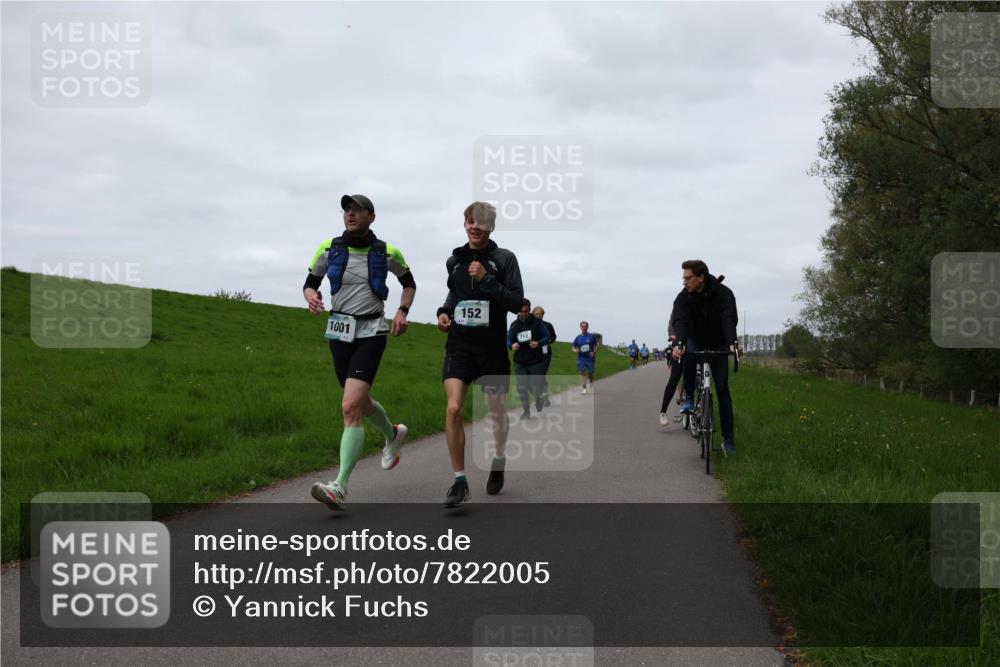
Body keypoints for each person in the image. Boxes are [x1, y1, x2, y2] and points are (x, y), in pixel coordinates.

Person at [304, 194, 415, 511]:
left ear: (371, 216)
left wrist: (402, 311)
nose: (350, 214)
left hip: (372, 331)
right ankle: (393, 434)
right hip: (339, 331)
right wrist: (311, 297)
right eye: (346, 210)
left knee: (350, 405)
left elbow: (409, 283)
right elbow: (310, 283)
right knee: (360, 402)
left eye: (357, 210)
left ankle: (339, 486)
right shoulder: (329, 248)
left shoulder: (387, 251)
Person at [437, 202, 524, 506]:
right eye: (470, 221)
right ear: (465, 224)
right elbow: (455, 292)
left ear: (491, 227)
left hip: (492, 350)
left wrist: (487, 279)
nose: (475, 226)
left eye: (481, 222)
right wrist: (444, 312)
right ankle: (460, 481)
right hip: (460, 346)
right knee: (454, 409)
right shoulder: (455, 260)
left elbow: (516, 302)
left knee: (496, 411)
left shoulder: (504, 259)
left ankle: (498, 458)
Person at [671, 260, 739, 454]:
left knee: (722, 389)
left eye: (688, 278)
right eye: (683, 278)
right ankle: (689, 397)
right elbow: (680, 321)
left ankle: (728, 441)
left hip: (718, 343)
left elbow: (728, 318)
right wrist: (679, 343)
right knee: (688, 354)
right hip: (696, 339)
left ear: (701, 277)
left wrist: (732, 342)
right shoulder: (683, 297)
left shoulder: (723, 293)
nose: (684, 282)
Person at [508, 299, 550, 419]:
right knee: (521, 387)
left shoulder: (538, 323)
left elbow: (547, 337)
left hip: (535, 361)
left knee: (535, 386)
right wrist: (512, 345)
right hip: (520, 361)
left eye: (526, 311)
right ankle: (526, 411)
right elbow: (508, 339)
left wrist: (538, 343)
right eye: (521, 311)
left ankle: (538, 398)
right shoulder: (514, 325)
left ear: (529, 310)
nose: (524, 314)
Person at [532, 305, 556, 406]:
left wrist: (548, 341)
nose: (539, 316)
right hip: (533, 354)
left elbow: (553, 337)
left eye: (541, 314)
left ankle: (544, 396)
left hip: (545, 354)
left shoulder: (548, 325)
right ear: (533, 314)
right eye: (537, 314)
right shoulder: (530, 326)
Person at [572, 322, 600, 393]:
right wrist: (575, 350)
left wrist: (594, 352)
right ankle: (584, 388)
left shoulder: (591, 336)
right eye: (582, 326)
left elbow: (597, 345)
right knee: (581, 372)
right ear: (580, 327)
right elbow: (573, 347)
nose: (584, 328)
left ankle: (591, 383)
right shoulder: (578, 337)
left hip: (590, 358)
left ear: (587, 327)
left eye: (585, 326)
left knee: (590, 373)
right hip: (581, 358)